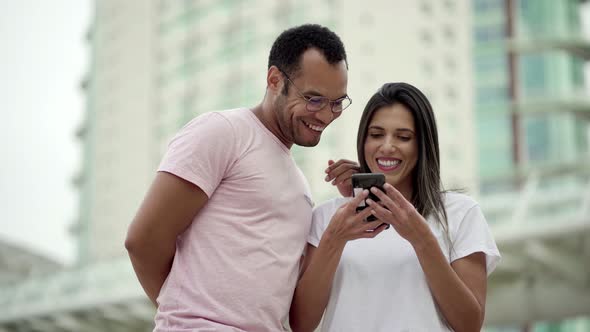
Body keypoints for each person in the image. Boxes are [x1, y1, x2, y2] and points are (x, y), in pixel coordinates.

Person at [124, 24, 352, 332]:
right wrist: (189, 316)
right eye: (314, 99)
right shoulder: (223, 132)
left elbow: (294, 312)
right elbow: (144, 241)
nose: (325, 115)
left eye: (337, 103)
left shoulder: (299, 185)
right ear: (275, 80)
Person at [289, 82, 501, 332]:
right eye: (376, 135)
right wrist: (335, 238)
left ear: (422, 145)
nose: (387, 146)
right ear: (363, 140)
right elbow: (301, 324)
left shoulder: (460, 213)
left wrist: (421, 238)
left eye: (403, 137)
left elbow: (470, 325)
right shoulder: (329, 216)